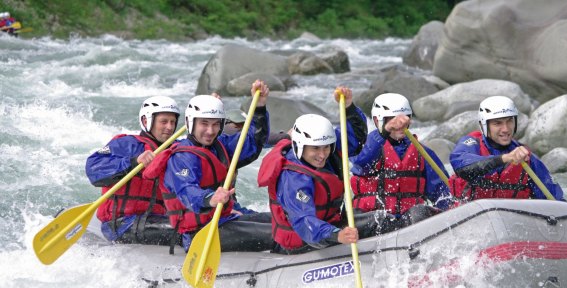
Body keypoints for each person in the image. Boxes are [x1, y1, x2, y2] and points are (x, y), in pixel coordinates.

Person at [258, 86, 399, 254]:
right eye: (315, 149)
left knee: (383, 218)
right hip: (303, 240)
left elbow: (355, 139)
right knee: (379, 222)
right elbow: (304, 222)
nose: (322, 155)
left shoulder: (328, 149)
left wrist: (349, 107)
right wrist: (337, 235)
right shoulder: (293, 179)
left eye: (326, 148)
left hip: (329, 224)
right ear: (299, 146)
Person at [143, 80, 273, 253]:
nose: (210, 131)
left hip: (223, 219)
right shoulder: (181, 157)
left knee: (283, 222)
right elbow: (187, 191)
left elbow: (253, 142)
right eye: (204, 123)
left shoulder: (220, 145)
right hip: (199, 233)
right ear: (191, 123)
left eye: (215, 124)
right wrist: (210, 198)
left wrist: (259, 108)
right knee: (276, 233)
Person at [85, 96, 180, 244]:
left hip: (157, 219)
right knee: (184, 230)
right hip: (122, 224)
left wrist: (207, 117)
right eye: (164, 121)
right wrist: (133, 162)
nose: (169, 127)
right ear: (145, 121)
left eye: (173, 122)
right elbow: (94, 170)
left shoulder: (177, 150)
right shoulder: (125, 144)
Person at [350, 93, 453, 223]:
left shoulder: (423, 153)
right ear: (377, 121)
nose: (398, 124)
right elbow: (360, 164)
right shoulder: (366, 147)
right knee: (374, 219)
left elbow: (442, 194)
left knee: (421, 212)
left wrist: (452, 212)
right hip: (373, 221)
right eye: (391, 119)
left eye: (403, 119)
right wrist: (385, 131)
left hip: (407, 222)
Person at [449, 95, 564, 201]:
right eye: (497, 123)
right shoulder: (471, 144)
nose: (505, 129)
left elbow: (555, 200)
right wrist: (504, 159)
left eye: (509, 121)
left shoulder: (525, 158)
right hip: (470, 216)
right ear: (483, 125)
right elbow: (462, 167)